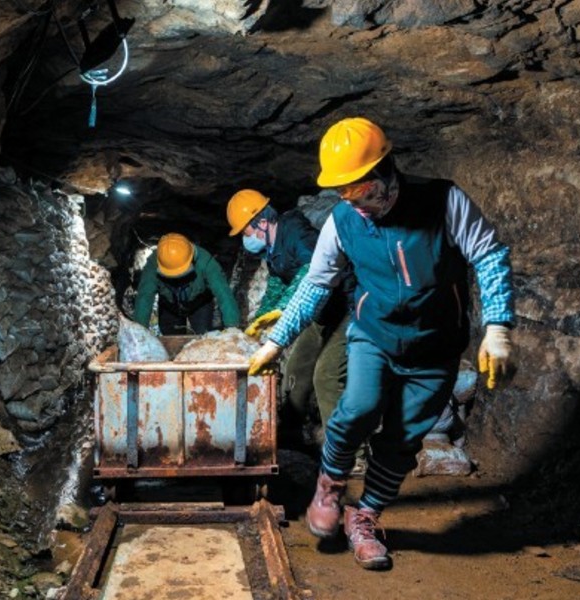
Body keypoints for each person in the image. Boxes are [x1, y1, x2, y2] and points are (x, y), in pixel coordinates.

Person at [247, 117, 516, 570]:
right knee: (357, 408)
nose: (356, 203)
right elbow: (316, 284)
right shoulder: (343, 221)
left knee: (402, 439)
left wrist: (498, 328)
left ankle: (365, 517)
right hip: (373, 333)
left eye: (361, 190)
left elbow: (488, 253)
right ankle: (330, 485)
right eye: (344, 193)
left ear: (387, 171)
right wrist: (277, 341)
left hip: (435, 346)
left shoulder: (443, 201)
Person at [227, 189, 353, 451]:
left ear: (261, 222)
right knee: (296, 369)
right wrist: (262, 319)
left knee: (326, 375)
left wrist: (284, 309)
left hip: (347, 308)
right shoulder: (272, 249)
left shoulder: (295, 232)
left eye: (245, 232)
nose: (244, 239)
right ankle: (292, 438)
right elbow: (276, 283)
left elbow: (313, 271)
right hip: (320, 314)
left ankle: (350, 453)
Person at [134, 233, 241, 335]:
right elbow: (145, 297)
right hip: (169, 306)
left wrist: (232, 326)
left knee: (203, 337)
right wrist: (139, 331)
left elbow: (223, 293)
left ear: (192, 260)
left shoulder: (205, 262)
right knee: (171, 340)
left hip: (199, 304)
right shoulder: (153, 264)